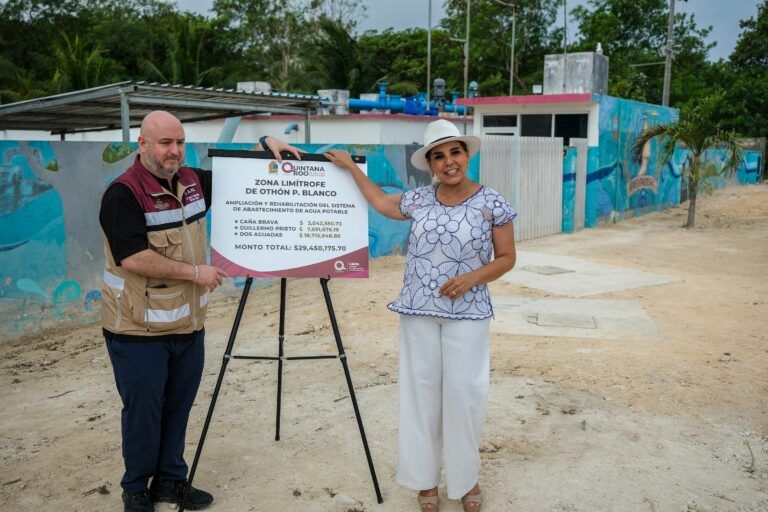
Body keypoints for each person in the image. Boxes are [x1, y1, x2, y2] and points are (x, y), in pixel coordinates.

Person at [99, 110, 301, 512]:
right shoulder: (123, 193)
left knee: (179, 405)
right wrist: (195, 272)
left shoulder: (192, 181)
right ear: (143, 145)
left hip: (188, 324)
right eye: (165, 143)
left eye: (179, 142)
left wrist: (264, 147)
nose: (175, 151)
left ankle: (171, 481)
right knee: (143, 412)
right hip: (138, 328)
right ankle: (136, 487)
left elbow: (239, 174)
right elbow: (133, 257)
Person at [325, 119, 517, 512]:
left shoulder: (492, 202)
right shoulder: (419, 200)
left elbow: (507, 258)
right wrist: (350, 166)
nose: (449, 162)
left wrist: (471, 279)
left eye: (455, 152)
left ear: (466, 155)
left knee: (465, 396)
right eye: (439, 156)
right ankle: (425, 482)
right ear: (429, 164)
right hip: (417, 310)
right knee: (421, 396)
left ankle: (466, 481)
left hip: (469, 312)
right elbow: (380, 202)